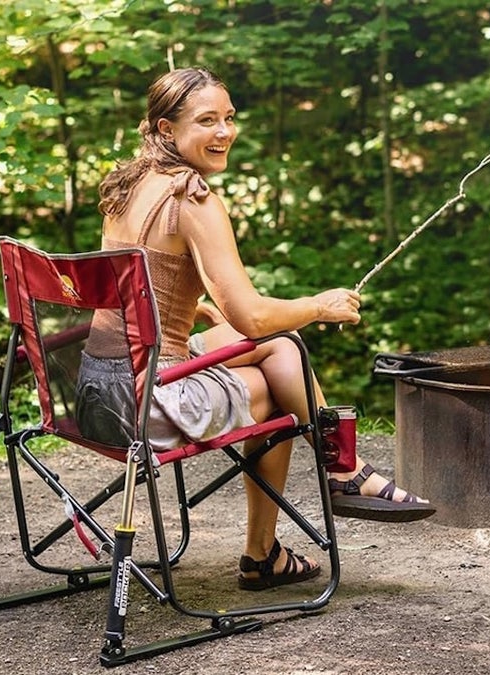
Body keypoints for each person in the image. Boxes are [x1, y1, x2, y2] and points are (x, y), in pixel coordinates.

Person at [78, 66, 434, 592]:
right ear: (165, 130)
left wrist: (190, 309)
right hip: (145, 401)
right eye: (207, 121)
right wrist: (319, 305)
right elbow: (252, 316)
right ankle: (289, 526)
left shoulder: (129, 186)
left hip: (94, 391)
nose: (224, 132)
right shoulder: (192, 201)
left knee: (280, 350)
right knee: (278, 375)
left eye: (229, 118)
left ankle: (342, 472)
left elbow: (131, 287)